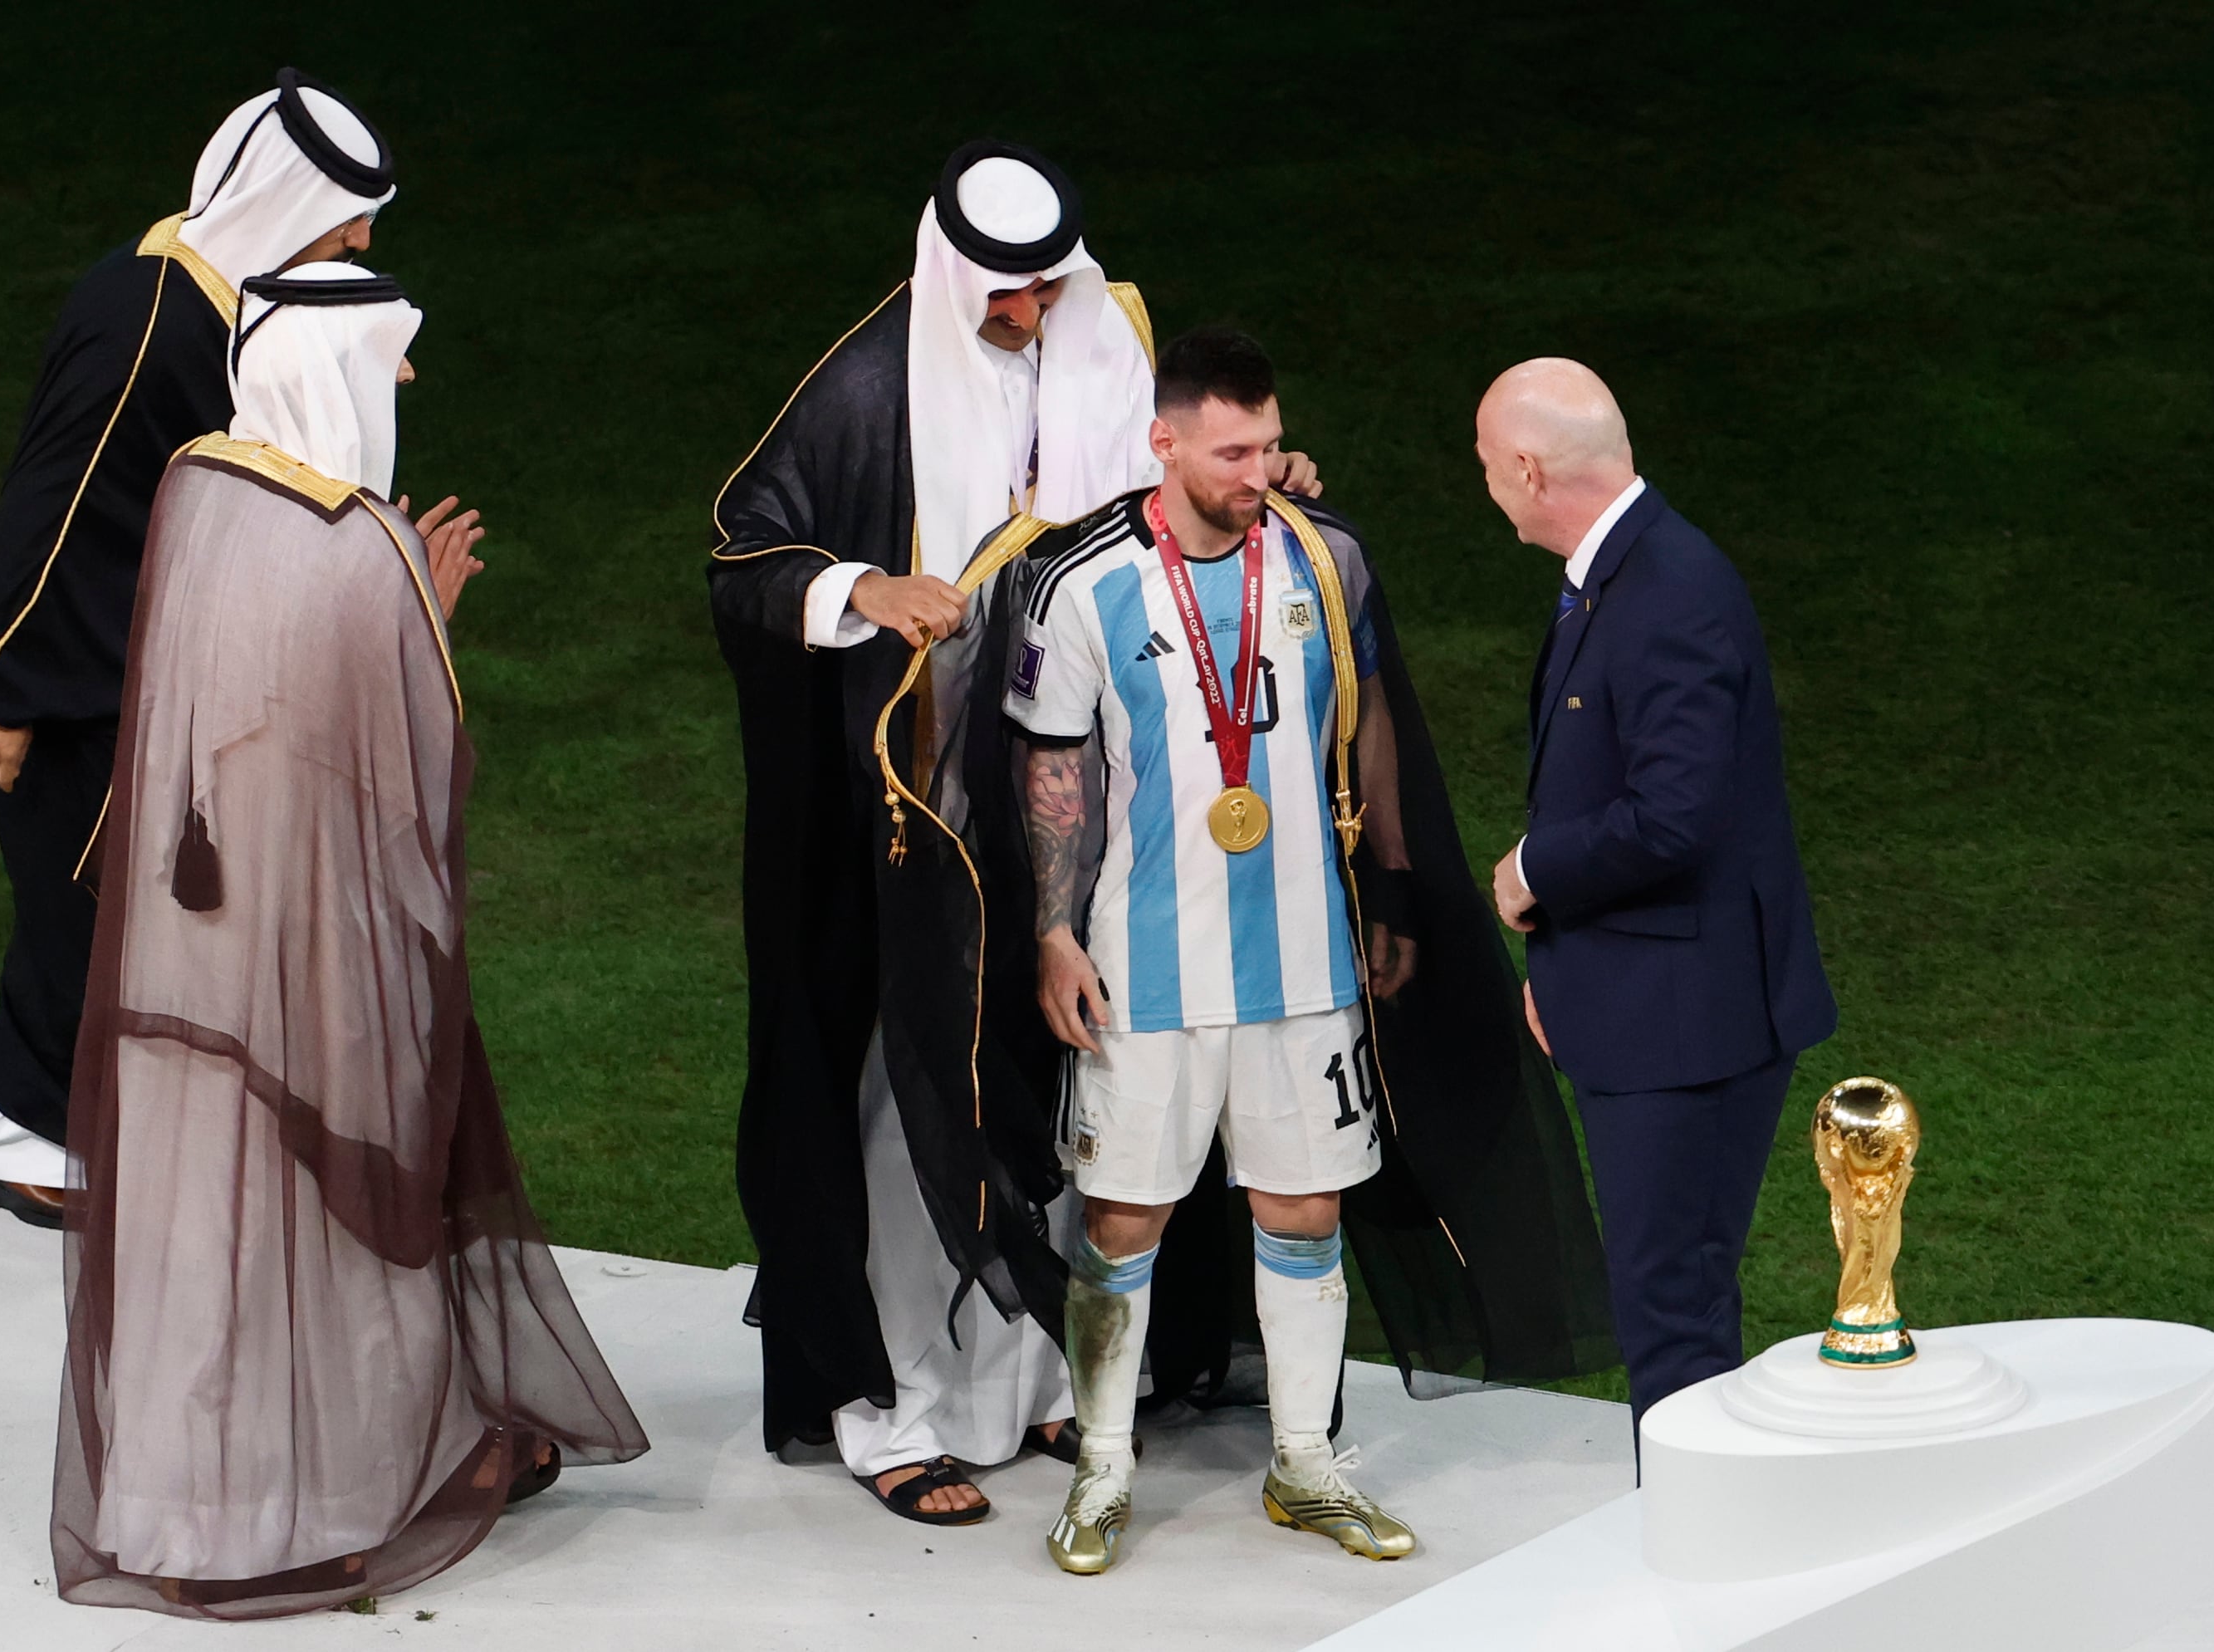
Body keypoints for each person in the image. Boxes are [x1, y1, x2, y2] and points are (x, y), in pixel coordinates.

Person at [708, 139, 1325, 1525]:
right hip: (928, 828)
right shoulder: (871, 386)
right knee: (908, 1105)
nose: (1033, 319)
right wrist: (867, 587)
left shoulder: (1113, 343)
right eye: (1006, 297)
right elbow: (743, 551)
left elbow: (1153, 514)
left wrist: (1248, 491)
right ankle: (895, 1411)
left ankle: (1035, 1383)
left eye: (1047, 289)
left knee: (1061, 1095)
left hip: (1090, 803)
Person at [52, 264, 646, 1619]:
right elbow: (403, 781)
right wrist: (423, 623)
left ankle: (181, 1499)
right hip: (308, 950)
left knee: (206, 1211)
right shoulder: (359, 541)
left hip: (185, 953)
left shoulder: (200, 485)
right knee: (320, 1212)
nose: (409, 379)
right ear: (342, 368)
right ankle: (325, 1499)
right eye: (394, 354)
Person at [1007, 328, 1617, 1575]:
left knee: (1304, 1208)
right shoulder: (1080, 583)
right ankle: (1104, 1468)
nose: (1259, 465)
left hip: (1303, 965)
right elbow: (1051, 766)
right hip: (1143, 967)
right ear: (1162, 441)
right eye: (1231, 448)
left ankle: (1304, 1463)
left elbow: (1372, 720)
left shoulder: (1327, 560)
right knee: (1123, 1219)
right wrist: (1053, 930)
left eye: (1269, 440)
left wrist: (1391, 886)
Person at [0, 69, 409, 1226]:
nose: (357, 239)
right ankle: (19, 1133)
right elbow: (49, 511)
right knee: (83, 913)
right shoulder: (147, 317)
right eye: (343, 219)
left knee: (130, 915)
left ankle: (68, 1124)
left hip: (153, 669)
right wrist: (10, 688)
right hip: (83, 683)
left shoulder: (217, 298)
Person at [1477, 356, 1837, 1430]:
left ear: (1531, 469)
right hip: (1657, 998)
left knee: (1670, 1311)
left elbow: (1674, 815)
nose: (1486, 482)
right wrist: (1570, 962)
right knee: (1667, 1300)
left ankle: (1685, 1570)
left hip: (1688, 1024)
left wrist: (1530, 873)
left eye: (1490, 464)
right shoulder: (1626, 571)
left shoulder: (1666, 591)